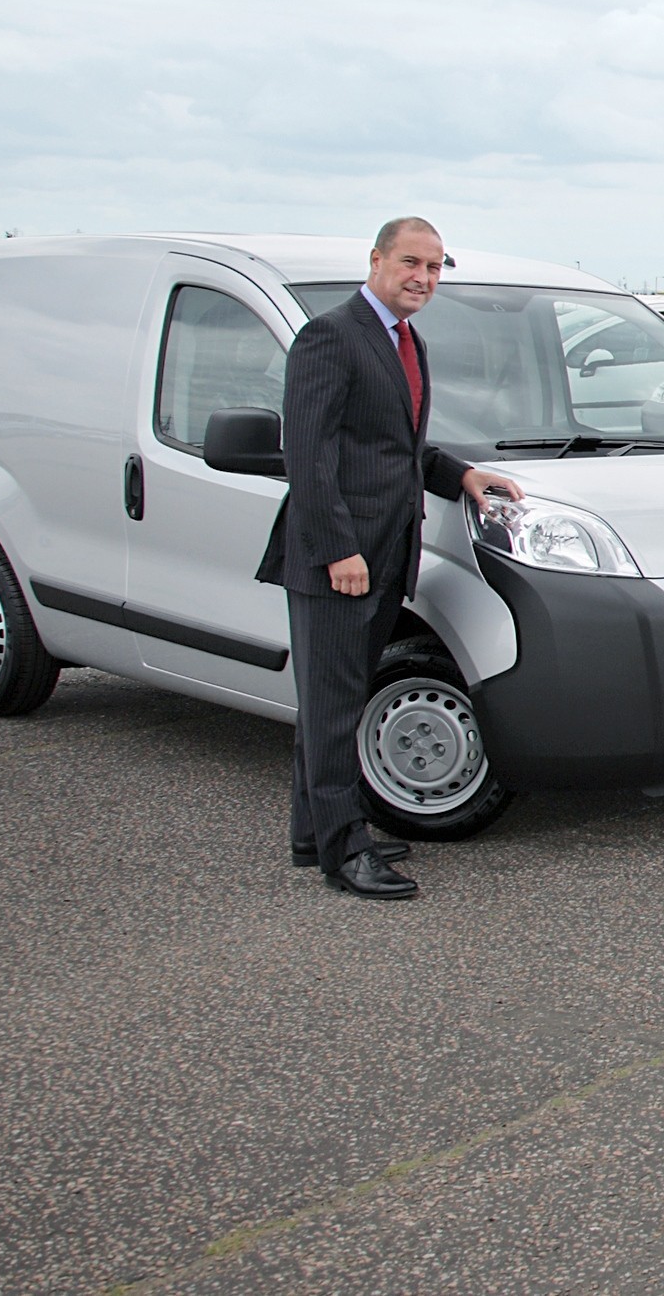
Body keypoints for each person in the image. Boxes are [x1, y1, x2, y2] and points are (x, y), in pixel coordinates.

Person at [259, 218, 522, 899]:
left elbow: (395, 449)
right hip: (339, 561)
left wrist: (460, 474)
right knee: (335, 708)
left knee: (332, 701)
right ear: (376, 260)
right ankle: (346, 854)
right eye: (412, 263)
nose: (424, 278)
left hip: (384, 554)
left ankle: (315, 832)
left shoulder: (405, 341)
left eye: (435, 268)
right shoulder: (330, 337)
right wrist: (338, 549)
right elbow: (308, 458)